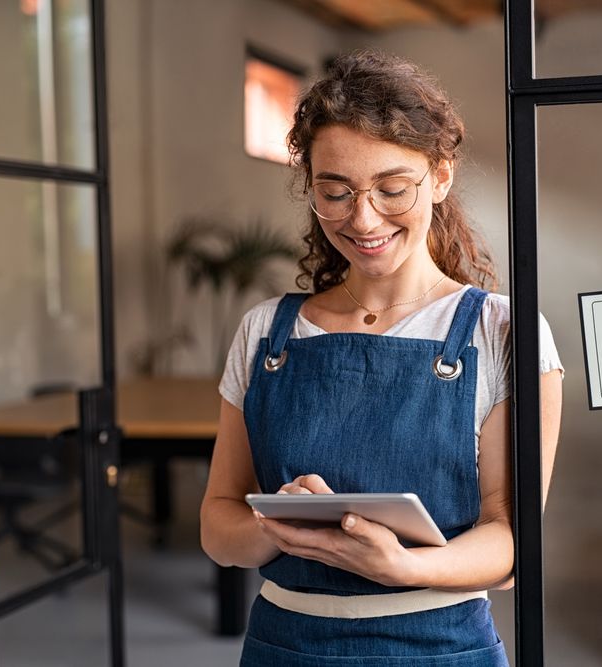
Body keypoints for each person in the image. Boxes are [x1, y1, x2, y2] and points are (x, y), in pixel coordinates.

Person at [200, 50, 564, 666]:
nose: (363, 219)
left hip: (442, 648)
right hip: (283, 646)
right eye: (334, 192)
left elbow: (508, 543)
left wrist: (401, 565)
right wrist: (278, 526)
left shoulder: (502, 331)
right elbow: (217, 522)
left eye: (392, 189)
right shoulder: (266, 332)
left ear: (441, 177)